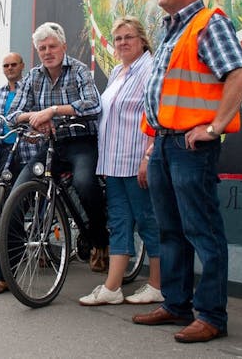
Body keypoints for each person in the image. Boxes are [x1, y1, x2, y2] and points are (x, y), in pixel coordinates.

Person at [132, 0, 242, 343]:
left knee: (202, 229)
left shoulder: (208, 22)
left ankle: (212, 316)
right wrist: (151, 147)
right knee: (170, 230)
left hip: (191, 147)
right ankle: (176, 304)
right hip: (166, 143)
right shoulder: (171, 31)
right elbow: (164, 99)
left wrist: (214, 127)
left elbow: (241, 74)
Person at [8, 22, 108, 273]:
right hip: (52, 145)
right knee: (17, 193)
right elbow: (13, 114)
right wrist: (36, 118)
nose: (47, 52)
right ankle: (7, 268)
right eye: (42, 48)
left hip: (80, 141)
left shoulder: (79, 70)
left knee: (84, 183)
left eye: (52, 46)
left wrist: (52, 111)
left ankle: (99, 238)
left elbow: (94, 105)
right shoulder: (33, 76)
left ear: (63, 46)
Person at [79, 17, 163, 306]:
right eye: (118, 39)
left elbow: (156, 115)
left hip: (135, 161)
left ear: (142, 40)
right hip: (113, 163)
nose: (123, 43)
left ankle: (157, 284)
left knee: (148, 222)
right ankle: (112, 287)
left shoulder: (151, 68)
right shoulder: (117, 71)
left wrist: (148, 157)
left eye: (128, 37)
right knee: (119, 223)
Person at [0, 52, 39, 295]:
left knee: (14, 211)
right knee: (6, 212)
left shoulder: (31, 88)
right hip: (6, 155)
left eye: (14, 64)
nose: (10, 68)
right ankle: (5, 272)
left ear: (22, 66)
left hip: (29, 153)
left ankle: (7, 270)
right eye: (6, 65)